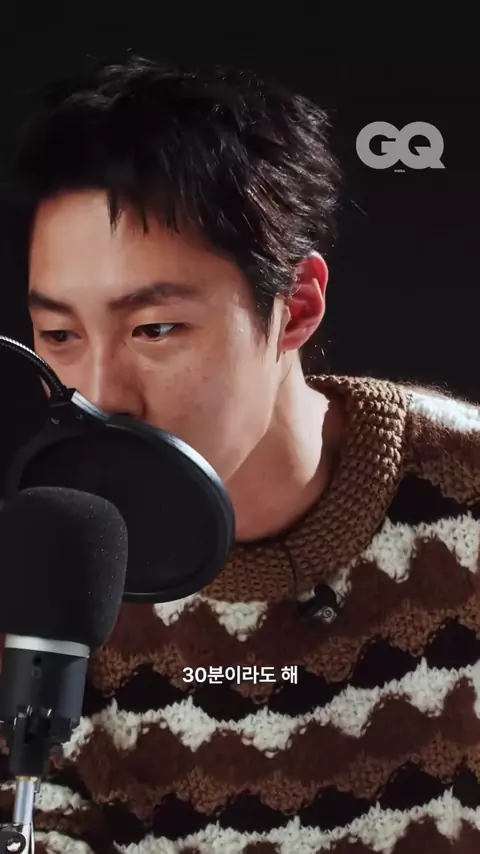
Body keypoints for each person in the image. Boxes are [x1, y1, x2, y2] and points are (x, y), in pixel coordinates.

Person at [1, 54, 480, 854]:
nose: (99, 394)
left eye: (154, 329)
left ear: (298, 306)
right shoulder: (43, 572)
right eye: (58, 334)